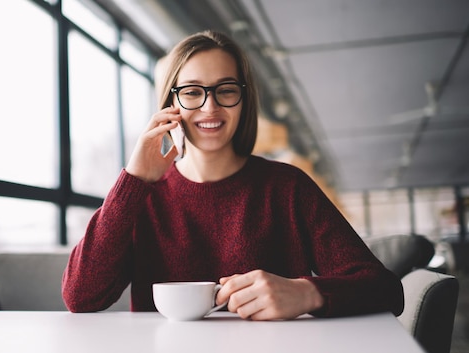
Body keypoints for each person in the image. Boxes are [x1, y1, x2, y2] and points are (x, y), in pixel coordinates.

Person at [62, 30, 404, 320]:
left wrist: (306, 293)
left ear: (244, 100)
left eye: (226, 90)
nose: (210, 107)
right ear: (170, 104)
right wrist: (134, 180)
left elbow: (386, 289)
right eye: (192, 92)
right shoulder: (142, 197)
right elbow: (81, 297)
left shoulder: (286, 187)